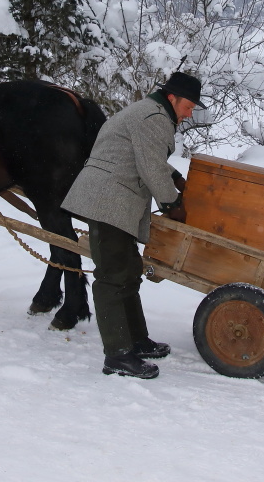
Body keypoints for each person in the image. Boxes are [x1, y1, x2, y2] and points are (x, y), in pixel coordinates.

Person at [62, 71, 203, 379]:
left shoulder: (149, 112)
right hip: (107, 200)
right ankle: (118, 355)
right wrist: (172, 205)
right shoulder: (154, 117)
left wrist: (175, 176)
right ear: (172, 98)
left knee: (128, 272)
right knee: (113, 277)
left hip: (115, 201)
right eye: (188, 106)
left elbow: (143, 153)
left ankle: (136, 340)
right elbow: (150, 167)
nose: (189, 113)